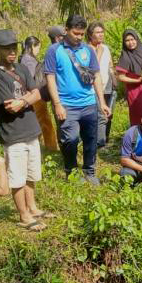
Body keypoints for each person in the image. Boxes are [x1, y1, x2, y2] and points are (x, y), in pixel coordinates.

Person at [0, 29, 51, 231]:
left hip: (32, 128)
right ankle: (23, 215)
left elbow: (37, 94)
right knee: (17, 177)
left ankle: (32, 208)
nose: (12, 51)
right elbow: (9, 107)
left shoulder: (22, 68)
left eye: (14, 47)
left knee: (32, 174)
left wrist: (22, 100)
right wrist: (27, 99)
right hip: (13, 133)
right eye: (6, 48)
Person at [44, 15, 111, 184]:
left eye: (82, 34)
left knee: (91, 139)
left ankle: (89, 171)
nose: (79, 37)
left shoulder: (87, 50)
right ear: (66, 30)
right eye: (76, 33)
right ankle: (71, 171)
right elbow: (50, 78)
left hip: (89, 104)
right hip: (67, 105)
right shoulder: (54, 51)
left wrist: (102, 102)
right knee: (70, 139)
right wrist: (57, 104)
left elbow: (96, 75)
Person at [19, 35, 59, 151]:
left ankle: (40, 147)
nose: (38, 51)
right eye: (38, 48)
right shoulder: (28, 60)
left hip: (33, 95)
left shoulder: (23, 58)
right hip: (35, 96)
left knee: (39, 122)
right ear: (32, 46)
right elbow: (30, 79)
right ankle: (51, 147)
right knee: (45, 122)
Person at [87, 22, 117, 148]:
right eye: (97, 32)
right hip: (94, 88)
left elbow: (110, 65)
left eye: (102, 32)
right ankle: (100, 143)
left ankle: (105, 137)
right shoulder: (86, 49)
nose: (101, 35)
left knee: (108, 113)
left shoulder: (106, 48)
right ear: (90, 35)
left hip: (108, 85)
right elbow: (92, 69)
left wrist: (114, 79)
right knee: (100, 116)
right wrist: (98, 52)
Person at [116, 29, 142, 126]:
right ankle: (138, 138)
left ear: (136, 39)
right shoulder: (125, 56)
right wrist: (137, 80)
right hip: (135, 91)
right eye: (127, 41)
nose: (130, 43)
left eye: (132, 39)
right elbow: (121, 77)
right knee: (139, 115)